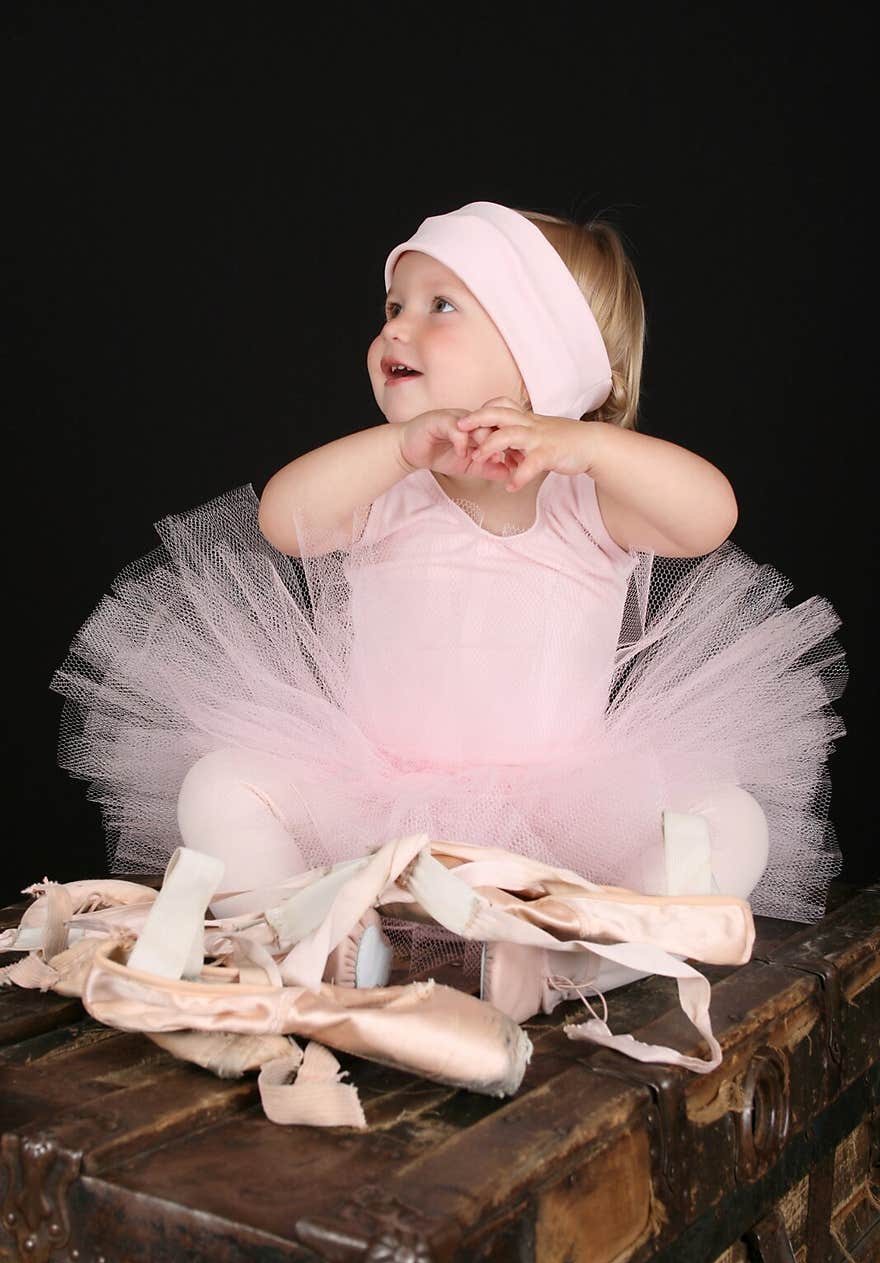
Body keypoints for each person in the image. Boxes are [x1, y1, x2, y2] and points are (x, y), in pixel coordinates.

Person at [50, 201, 848, 1012]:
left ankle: (565, 967)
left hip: (567, 818)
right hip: (368, 808)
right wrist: (400, 448)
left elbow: (709, 516)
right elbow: (282, 520)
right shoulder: (389, 487)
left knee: (729, 821)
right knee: (220, 786)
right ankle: (329, 941)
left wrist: (587, 444)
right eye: (393, 307)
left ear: (540, 351)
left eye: (440, 307)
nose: (396, 329)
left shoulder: (587, 500)